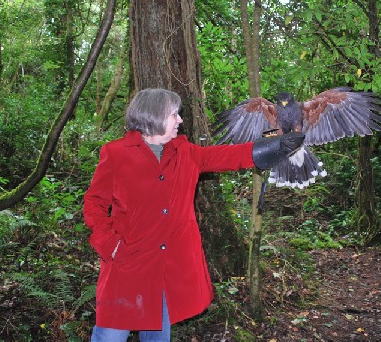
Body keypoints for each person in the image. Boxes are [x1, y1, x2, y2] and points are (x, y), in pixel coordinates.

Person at [83, 88, 304, 342]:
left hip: (166, 269)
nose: (180, 120)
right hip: (127, 265)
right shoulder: (116, 153)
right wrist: (110, 244)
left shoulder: (185, 152)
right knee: (109, 337)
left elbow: (224, 156)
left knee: (157, 337)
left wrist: (273, 146)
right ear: (154, 116)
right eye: (174, 115)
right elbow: (94, 203)